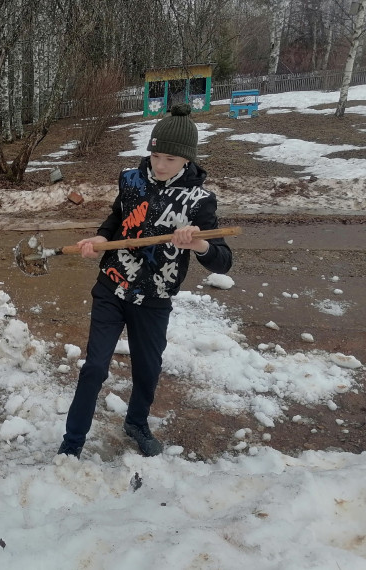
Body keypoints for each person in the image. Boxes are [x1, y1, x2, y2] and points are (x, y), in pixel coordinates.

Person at [57, 103, 232, 458]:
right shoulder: (131, 180)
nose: (160, 164)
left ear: (186, 159)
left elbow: (223, 260)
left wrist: (197, 242)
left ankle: (136, 422)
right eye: (155, 155)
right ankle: (72, 442)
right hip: (112, 285)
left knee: (148, 369)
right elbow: (116, 219)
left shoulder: (199, 201)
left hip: (154, 299)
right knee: (94, 367)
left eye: (170, 158)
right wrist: (102, 240)